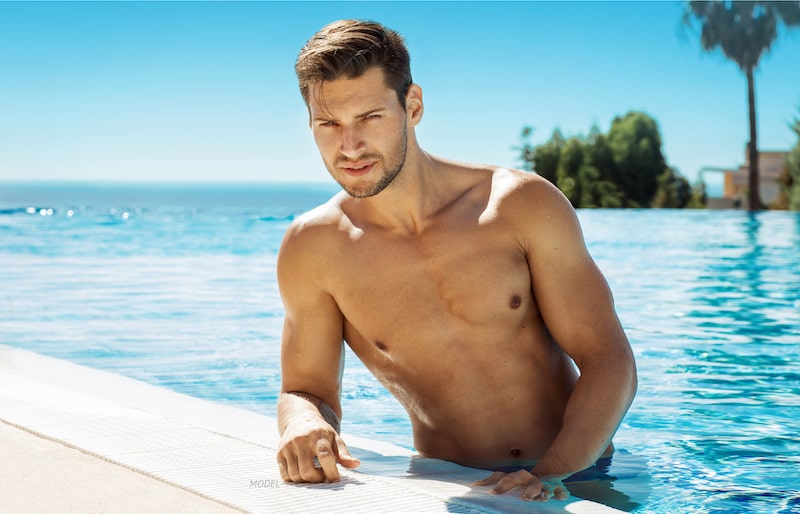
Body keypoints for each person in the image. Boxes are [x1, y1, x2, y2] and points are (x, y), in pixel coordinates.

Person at [276, 19, 637, 502]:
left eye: (369, 118)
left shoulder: (518, 205)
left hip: (582, 472)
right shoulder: (312, 248)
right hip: (448, 482)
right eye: (330, 124)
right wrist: (302, 423)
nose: (350, 146)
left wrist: (552, 473)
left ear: (413, 106)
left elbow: (609, 358)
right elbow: (306, 389)